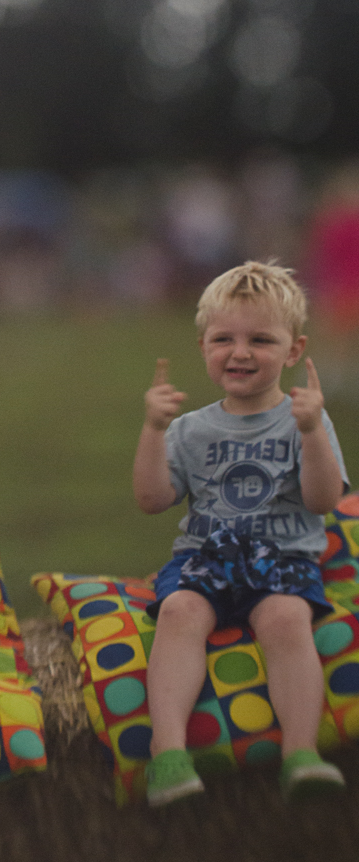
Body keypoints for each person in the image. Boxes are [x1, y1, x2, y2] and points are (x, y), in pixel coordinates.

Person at [133, 260, 349, 808]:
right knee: (180, 612)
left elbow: (325, 500)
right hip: (207, 555)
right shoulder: (190, 429)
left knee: (286, 617)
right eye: (223, 338)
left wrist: (311, 434)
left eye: (261, 339)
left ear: (294, 351)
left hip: (283, 558)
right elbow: (151, 500)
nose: (241, 351)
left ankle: (301, 752)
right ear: (203, 345)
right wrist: (153, 431)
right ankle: (169, 753)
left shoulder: (306, 419)